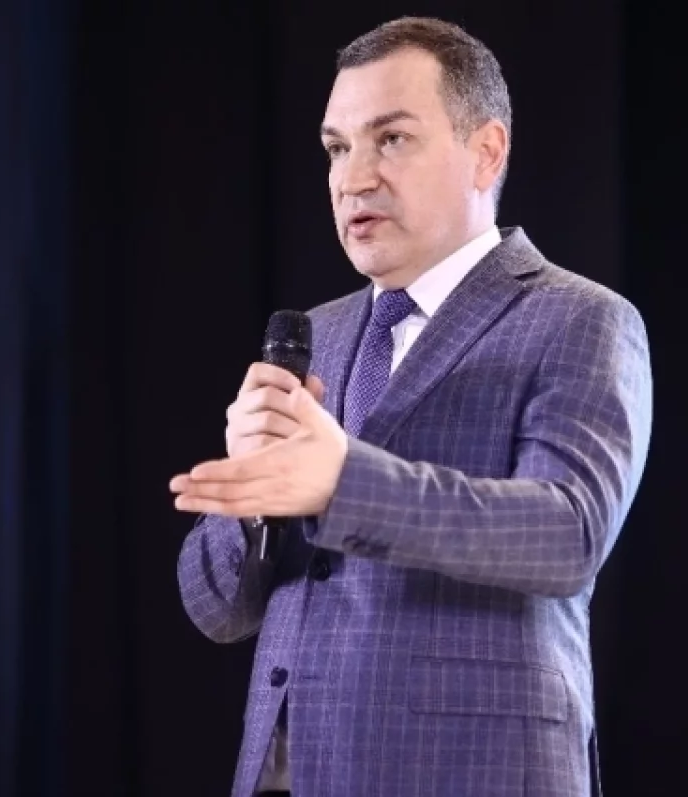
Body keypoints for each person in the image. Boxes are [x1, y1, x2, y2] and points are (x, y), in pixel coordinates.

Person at [169, 16, 652, 797]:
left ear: (485, 151)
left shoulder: (580, 319)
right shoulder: (317, 337)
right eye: (336, 148)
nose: (352, 178)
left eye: (390, 139)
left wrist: (341, 481)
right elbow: (216, 607)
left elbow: (569, 532)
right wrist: (253, 497)